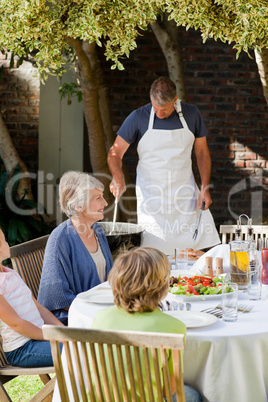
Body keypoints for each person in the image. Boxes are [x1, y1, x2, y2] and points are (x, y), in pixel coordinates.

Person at [107, 76, 220, 254]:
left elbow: (202, 152)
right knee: (154, 252)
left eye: (164, 110)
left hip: (185, 196)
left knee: (193, 253)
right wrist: (117, 176)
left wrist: (205, 187)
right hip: (152, 198)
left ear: (175, 101)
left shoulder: (192, 114)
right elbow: (115, 153)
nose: (159, 114)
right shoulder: (138, 117)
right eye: (155, 108)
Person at [92, 247, 202, 401]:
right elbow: (168, 390)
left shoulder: (100, 318)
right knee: (193, 394)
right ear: (163, 287)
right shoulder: (173, 327)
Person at [38, 171, 113, 326]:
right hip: (72, 319)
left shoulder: (97, 229)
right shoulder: (60, 238)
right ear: (79, 206)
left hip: (101, 312)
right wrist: (98, 312)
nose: (105, 203)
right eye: (98, 198)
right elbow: (57, 296)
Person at [0, 229, 64, 367]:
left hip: (40, 337)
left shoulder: (11, 274)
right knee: (77, 351)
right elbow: (16, 324)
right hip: (22, 349)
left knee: (83, 343)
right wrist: (53, 336)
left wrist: (62, 330)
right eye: (4, 240)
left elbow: (38, 307)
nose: (7, 243)